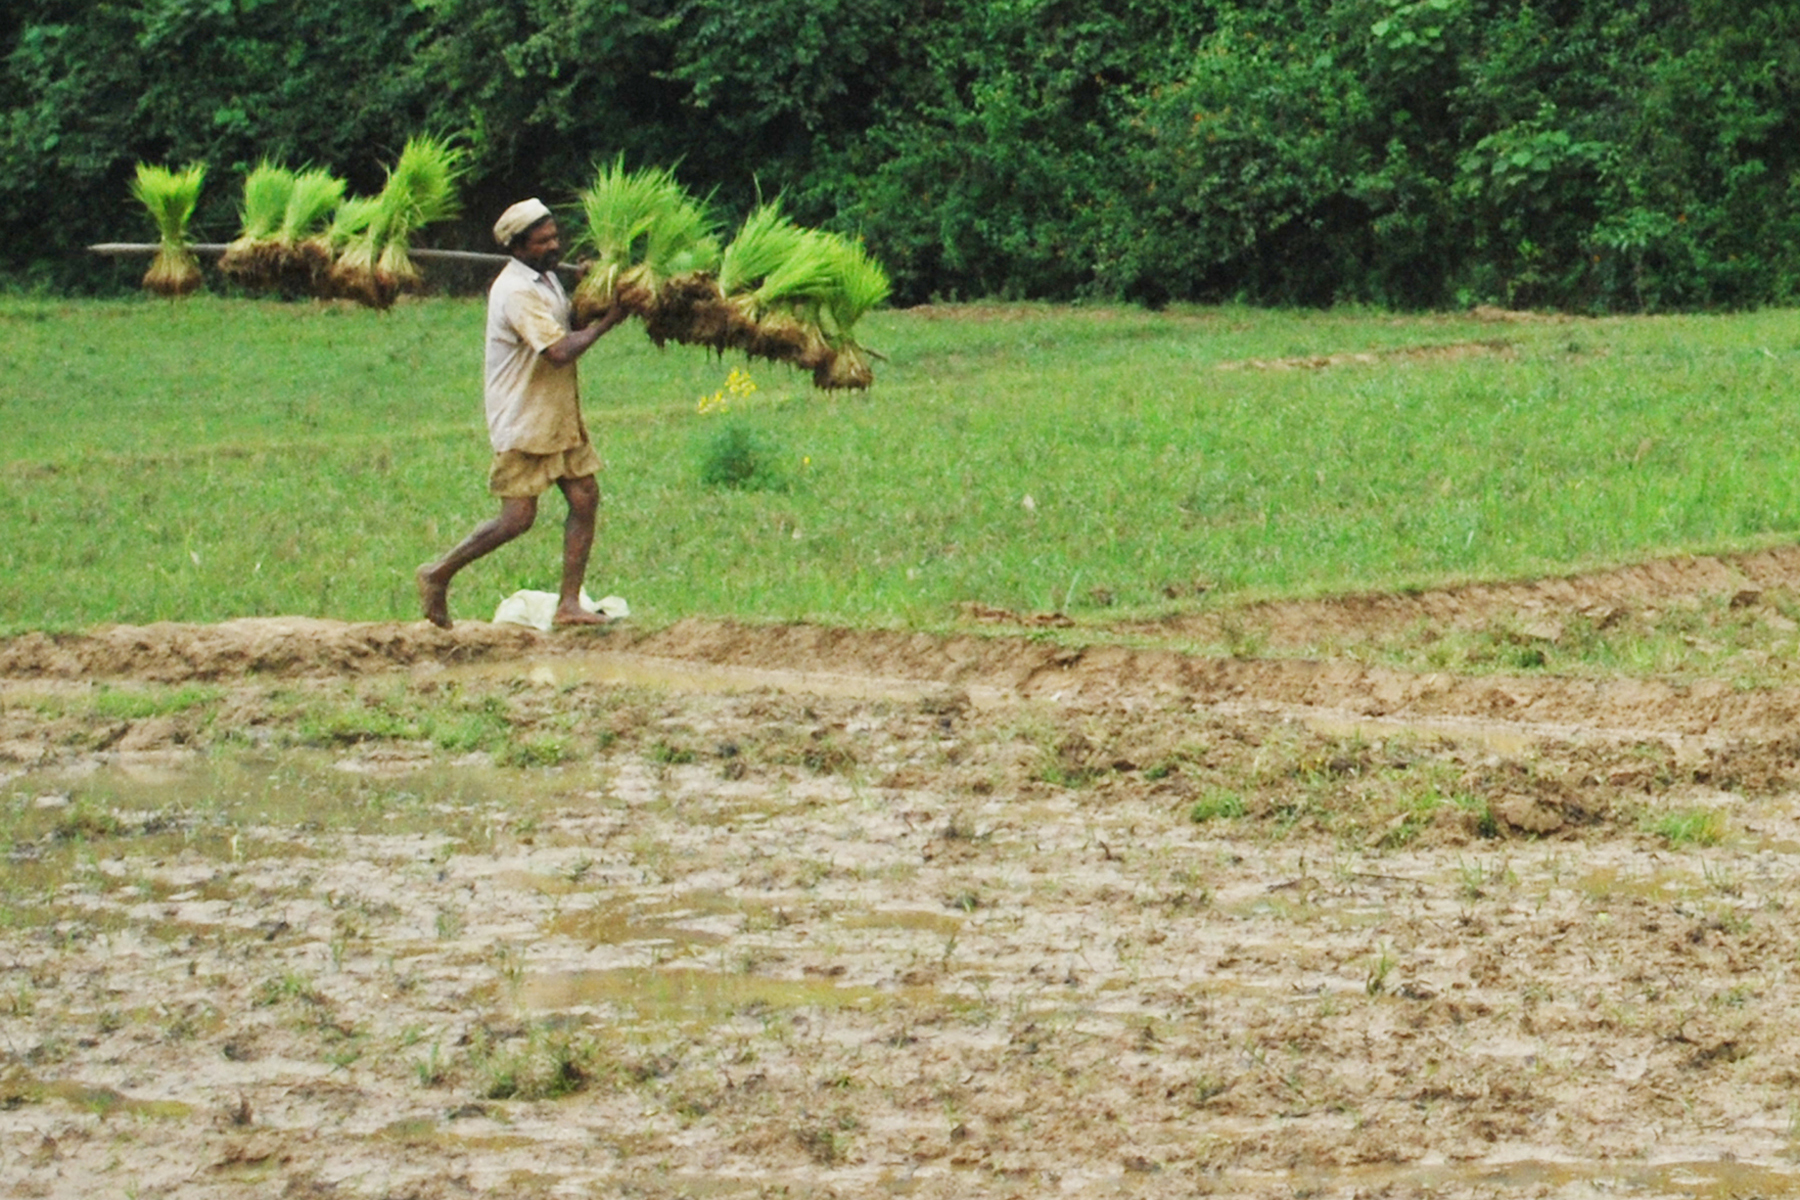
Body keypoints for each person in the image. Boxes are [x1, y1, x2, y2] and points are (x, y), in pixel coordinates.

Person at [416, 198, 628, 629]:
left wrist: (594, 289)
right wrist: (611, 320)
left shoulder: (546, 279)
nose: (554, 245)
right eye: (542, 241)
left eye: (554, 236)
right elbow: (559, 350)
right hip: (525, 418)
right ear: (517, 246)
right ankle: (437, 574)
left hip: (558, 416)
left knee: (585, 498)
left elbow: (566, 320)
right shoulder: (516, 291)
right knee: (517, 519)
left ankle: (569, 605)